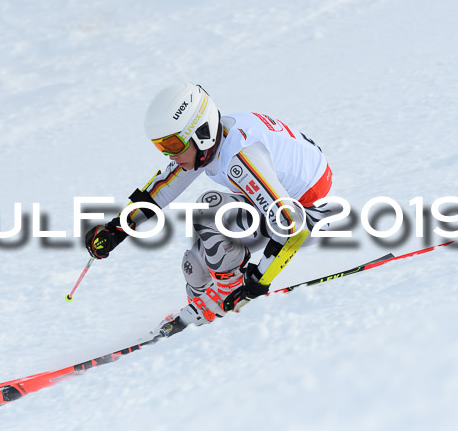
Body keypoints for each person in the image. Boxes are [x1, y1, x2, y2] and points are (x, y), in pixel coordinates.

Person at [84, 83, 334, 335]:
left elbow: (291, 226)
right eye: (162, 147)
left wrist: (255, 284)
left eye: (172, 145)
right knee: (194, 266)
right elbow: (163, 188)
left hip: (312, 214)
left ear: (200, 132)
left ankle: (225, 298)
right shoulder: (209, 143)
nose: (170, 156)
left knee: (211, 209)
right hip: (278, 206)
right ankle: (208, 308)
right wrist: (118, 228)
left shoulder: (240, 156)